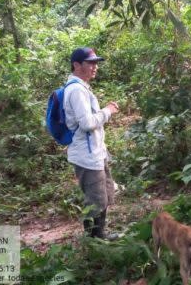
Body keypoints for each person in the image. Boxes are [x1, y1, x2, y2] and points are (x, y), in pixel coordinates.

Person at [64, 47, 119, 238]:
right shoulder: (76, 90)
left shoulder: (82, 87)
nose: (95, 67)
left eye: (96, 63)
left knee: (103, 195)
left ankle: (100, 234)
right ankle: (93, 240)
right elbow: (87, 123)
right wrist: (108, 111)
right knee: (95, 200)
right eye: (90, 63)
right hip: (86, 157)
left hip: (95, 153)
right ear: (77, 65)